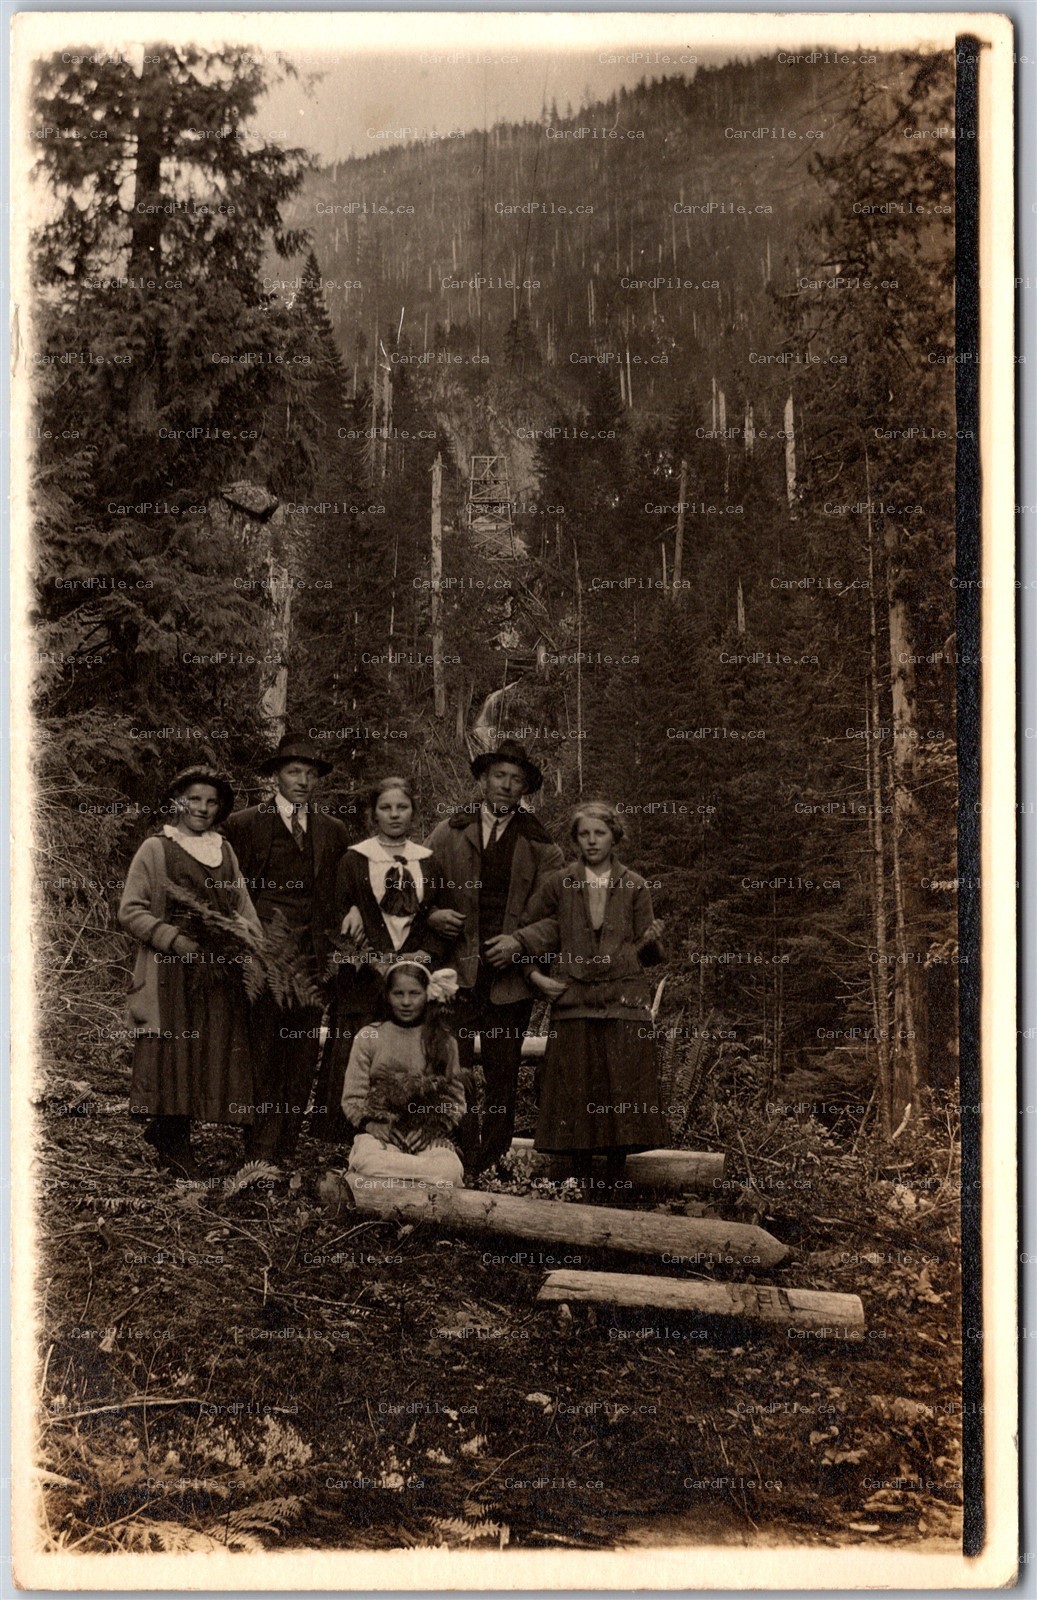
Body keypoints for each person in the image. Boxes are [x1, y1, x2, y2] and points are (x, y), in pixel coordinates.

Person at [512, 800, 669, 1198]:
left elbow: (648, 955)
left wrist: (652, 940)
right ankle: (579, 1187)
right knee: (576, 1094)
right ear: (575, 840)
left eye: (600, 833)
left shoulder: (635, 885)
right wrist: (535, 978)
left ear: (615, 837)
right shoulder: (559, 883)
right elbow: (526, 934)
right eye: (584, 834)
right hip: (574, 1003)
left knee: (622, 1093)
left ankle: (614, 1185)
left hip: (622, 1004)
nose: (592, 841)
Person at [424, 739, 563, 1179]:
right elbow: (411, 886)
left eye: (515, 779)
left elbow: (558, 916)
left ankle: (494, 1159)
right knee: (455, 1069)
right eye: (499, 776)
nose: (505, 785)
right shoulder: (448, 832)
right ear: (484, 780)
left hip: (509, 981)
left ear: (525, 789)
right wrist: (432, 914)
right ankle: (462, 1155)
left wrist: (520, 942)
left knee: (503, 1073)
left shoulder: (541, 845)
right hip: (456, 977)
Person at [118, 766, 261, 1179]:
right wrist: (174, 940)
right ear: (177, 801)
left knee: (208, 1049)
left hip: (215, 970)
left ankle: (170, 1132)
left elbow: (243, 908)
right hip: (169, 971)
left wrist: (251, 943)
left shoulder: (224, 851)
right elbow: (130, 910)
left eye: (211, 802)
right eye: (193, 799)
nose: (202, 808)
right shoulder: (155, 849)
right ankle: (173, 1141)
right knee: (173, 1052)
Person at [223, 734, 350, 1166]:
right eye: (294, 772)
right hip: (263, 961)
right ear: (276, 776)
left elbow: (341, 893)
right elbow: (229, 893)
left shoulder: (333, 831)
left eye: (311, 774)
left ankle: (287, 1148)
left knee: (301, 1057)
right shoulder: (244, 825)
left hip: (311, 963)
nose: (303, 781)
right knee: (264, 1053)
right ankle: (259, 1150)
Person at [311, 775, 451, 1142]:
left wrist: (425, 954)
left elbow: (440, 916)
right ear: (373, 814)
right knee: (357, 1050)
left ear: (413, 812)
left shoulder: (428, 862)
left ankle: (408, 1133)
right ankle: (346, 1136)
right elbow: (334, 912)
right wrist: (353, 917)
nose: (394, 814)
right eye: (385, 808)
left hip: (409, 979)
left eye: (402, 807)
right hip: (363, 980)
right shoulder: (354, 860)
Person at [342, 960, 465, 1187]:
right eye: (398, 993)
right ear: (387, 995)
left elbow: (455, 1100)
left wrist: (433, 1129)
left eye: (414, 993)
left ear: (427, 994)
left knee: (449, 1169)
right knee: (369, 1159)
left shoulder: (444, 1041)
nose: (406, 1002)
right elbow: (352, 1097)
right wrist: (372, 1124)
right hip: (382, 1136)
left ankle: (387, 1181)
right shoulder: (369, 1036)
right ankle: (420, 1180)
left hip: (426, 1138)